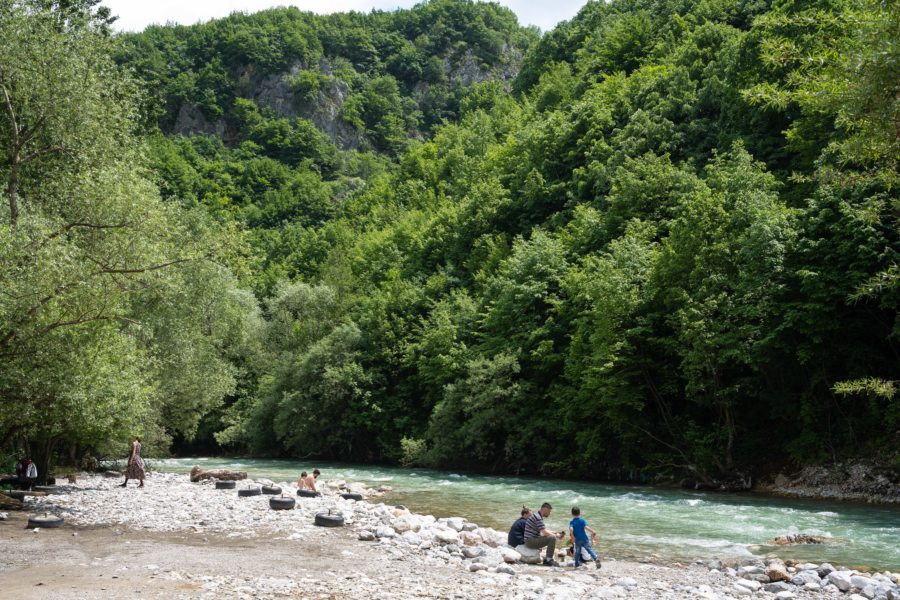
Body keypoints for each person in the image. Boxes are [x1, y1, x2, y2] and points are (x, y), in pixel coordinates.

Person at [523, 502, 565, 567]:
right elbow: (545, 532)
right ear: (545, 509)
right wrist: (556, 536)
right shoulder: (538, 517)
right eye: (549, 511)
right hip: (530, 541)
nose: (549, 513)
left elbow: (544, 530)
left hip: (530, 540)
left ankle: (547, 559)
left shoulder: (537, 515)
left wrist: (556, 532)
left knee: (552, 536)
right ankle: (548, 560)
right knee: (552, 538)